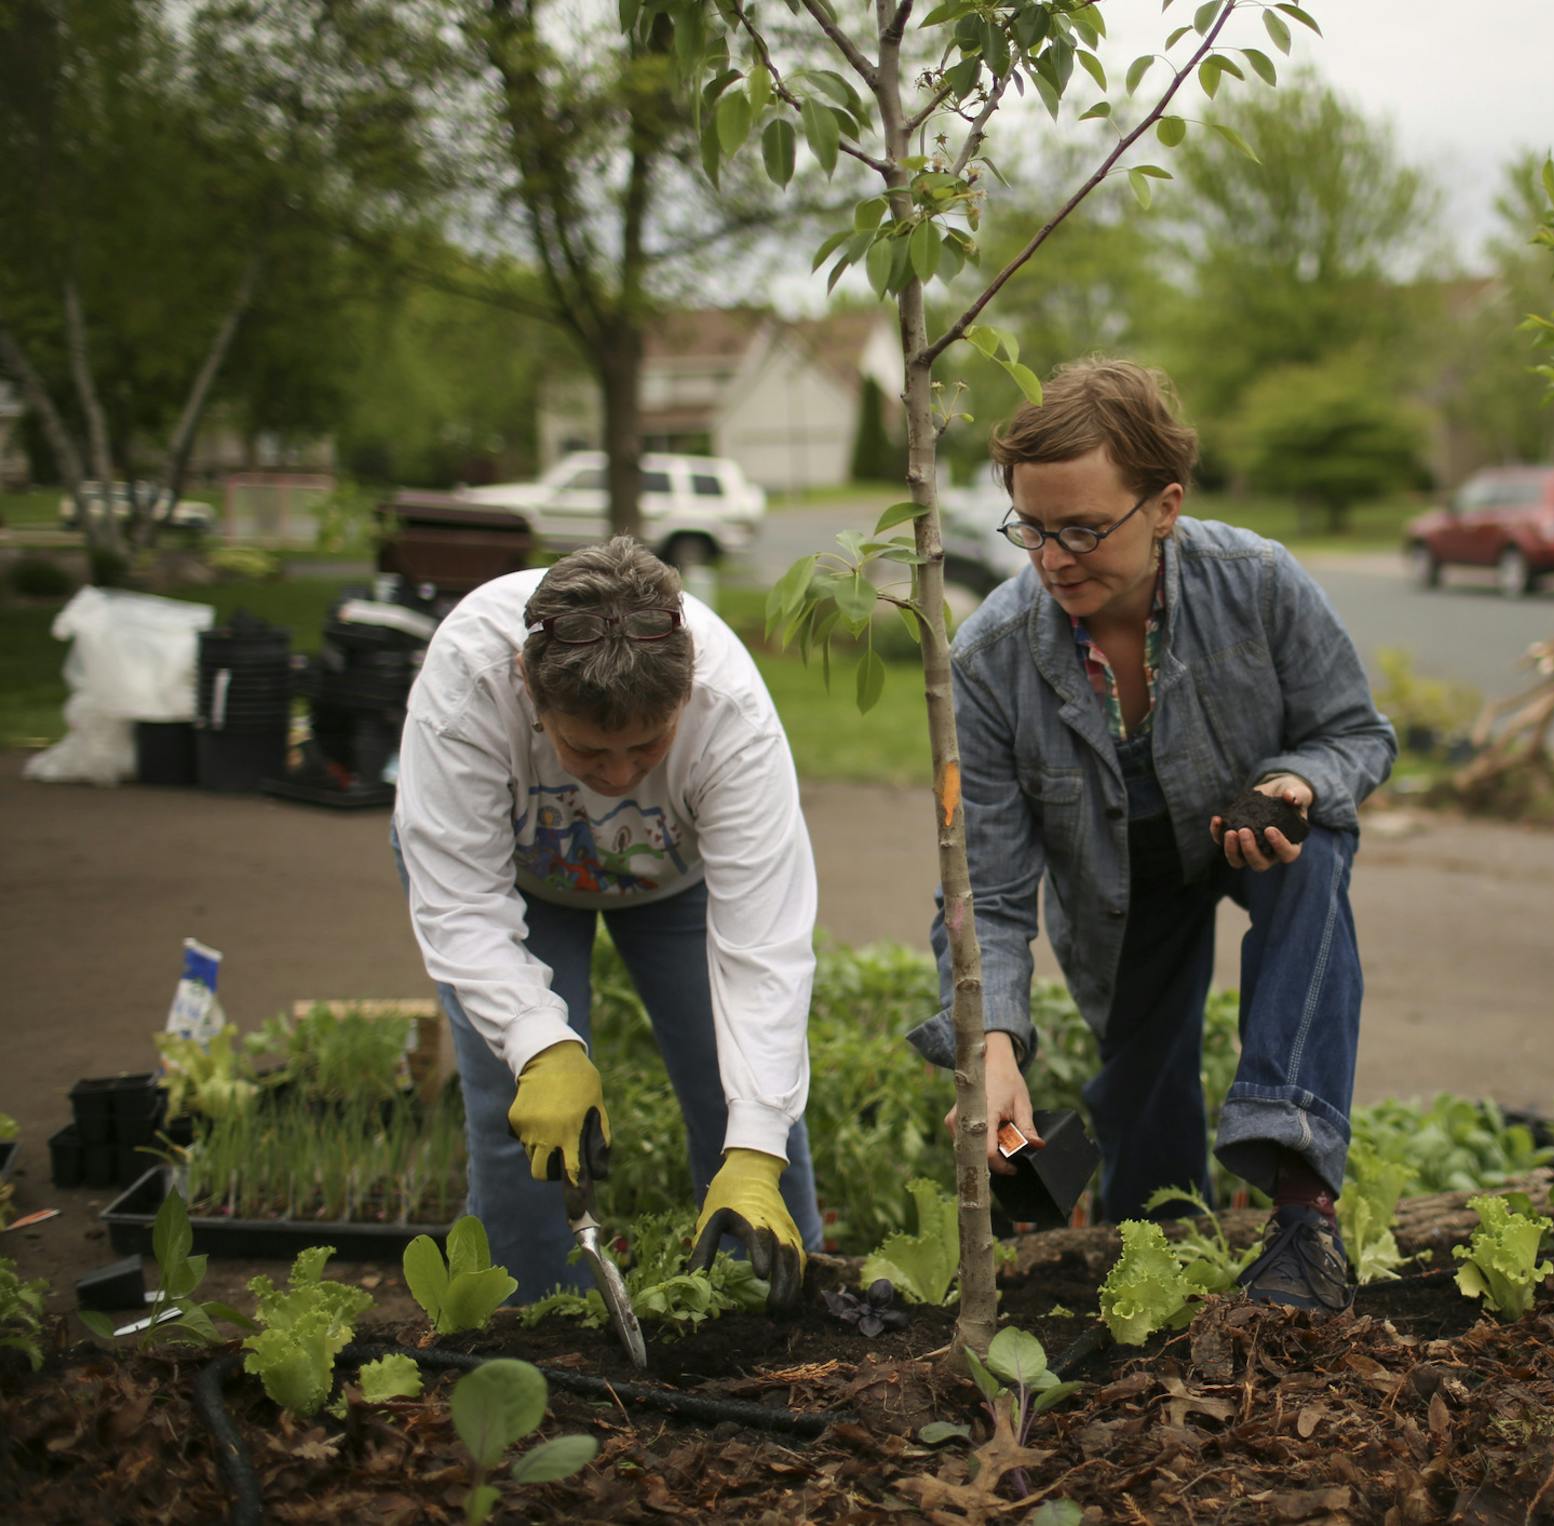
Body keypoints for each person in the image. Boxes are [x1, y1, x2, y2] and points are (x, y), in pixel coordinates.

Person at [907, 359, 1397, 1314]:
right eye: (1033, 529)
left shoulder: (1257, 585)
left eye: (1085, 529)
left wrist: (1299, 780)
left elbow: (1359, 736)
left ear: (1164, 506)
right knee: (1144, 1128)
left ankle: (1303, 1219)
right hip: (1119, 889)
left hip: (1257, 840)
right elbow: (990, 893)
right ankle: (1168, 1269)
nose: (1054, 559)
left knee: (1317, 858)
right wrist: (992, 1045)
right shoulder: (991, 660)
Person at [392, 536, 821, 1305]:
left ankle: (776, 1316)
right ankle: (533, 1329)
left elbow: (766, 948)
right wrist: (540, 1044)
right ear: (530, 687)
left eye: (647, 744)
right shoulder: (470, 683)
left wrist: (755, 1149)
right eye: (589, 750)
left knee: (746, 1105)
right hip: (520, 882)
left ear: (686, 692)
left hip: (675, 881)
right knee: (518, 1117)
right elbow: (461, 900)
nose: (620, 775)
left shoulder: (732, 714)